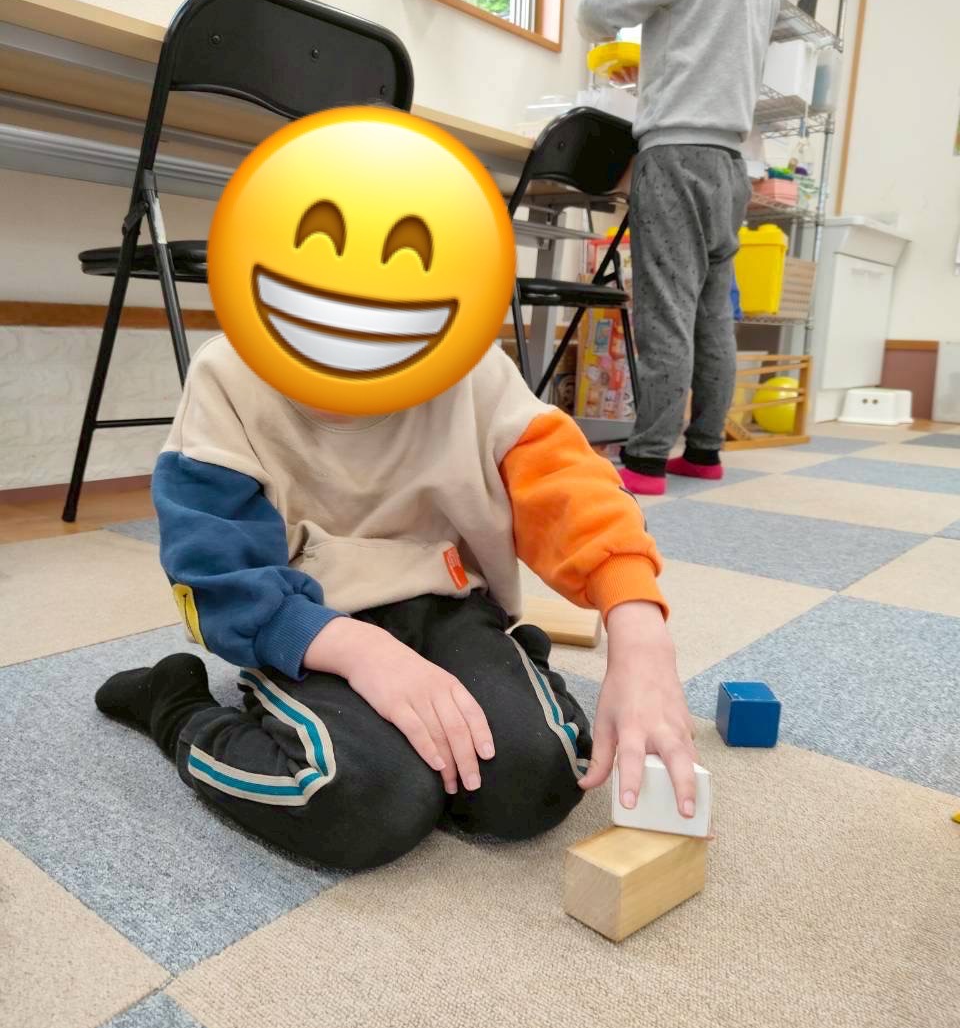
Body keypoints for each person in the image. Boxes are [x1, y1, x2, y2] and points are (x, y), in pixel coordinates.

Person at [94, 336, 701, 870]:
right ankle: (176, 707)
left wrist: (639, 630)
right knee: (361, 799)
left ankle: (517, 661)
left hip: (449, 601)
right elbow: (216, 569)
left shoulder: (474, 367)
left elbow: (567, 485)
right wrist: (357, 650)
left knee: (535, 782)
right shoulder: (229, 374)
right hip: (313, 624)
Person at [577, 0, 780, 495]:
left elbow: (596, 8)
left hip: (676, 155)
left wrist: (612, 39)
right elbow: (712, 50)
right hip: (730, 162)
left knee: (665, 312)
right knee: (712, 316)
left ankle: (645, 461)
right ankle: (704, 450)